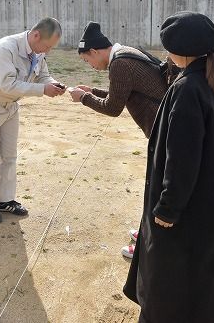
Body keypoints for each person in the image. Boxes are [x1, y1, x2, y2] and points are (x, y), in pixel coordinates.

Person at [123, 12, 214, 323]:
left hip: (192, 204)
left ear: (179, 51)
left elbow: (182, 156)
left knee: (174, 280)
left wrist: (168, 208)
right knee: (207, 277)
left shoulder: (188, 88)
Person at [68, 22, 173, 259]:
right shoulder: (127, 53)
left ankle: (150, 247)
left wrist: (84, 98)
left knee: (158, 191)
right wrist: (93, 91)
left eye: (87, 61)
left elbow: (113, 108)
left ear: (94, 51)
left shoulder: (120, 64)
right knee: (155, 189)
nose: (91, 66)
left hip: (164, 133)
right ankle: (148, 231)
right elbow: (123, 94)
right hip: (166, 129)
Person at [0, 18, 66, 223]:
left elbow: (43, 76)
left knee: (9, 156)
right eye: (47, 46)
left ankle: (5, 200)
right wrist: (42, 90)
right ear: (36, 35)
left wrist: (54, 84)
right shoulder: (5, 48)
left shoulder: (37, 52)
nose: (47, 51)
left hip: (10, 107)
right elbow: (7, 84)